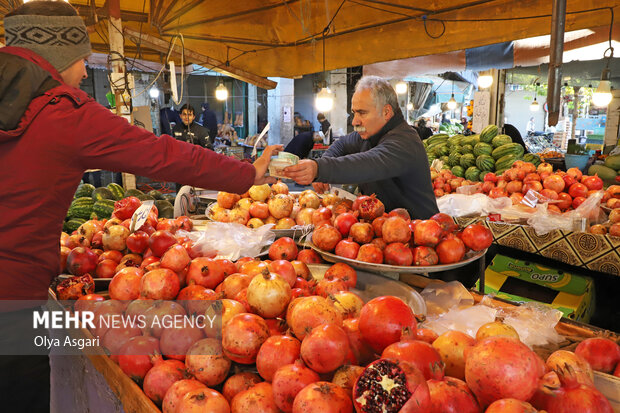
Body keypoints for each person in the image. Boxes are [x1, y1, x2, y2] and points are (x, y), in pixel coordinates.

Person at [0, 2, 281, 410]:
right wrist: (246, 174)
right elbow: (162, 154)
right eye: (81, 59)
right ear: (58, 55)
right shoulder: (63, 113)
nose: (83, 73)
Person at [284, 76, 438, 219]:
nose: (355, 121)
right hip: (385, 233)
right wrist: (326, 160)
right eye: (354, 113)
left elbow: (369, 163)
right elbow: (341, 143)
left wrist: (319, 169)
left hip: (421, 237)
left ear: (386, 112)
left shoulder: (405, 141)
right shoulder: (369, 134)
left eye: (362, 113)